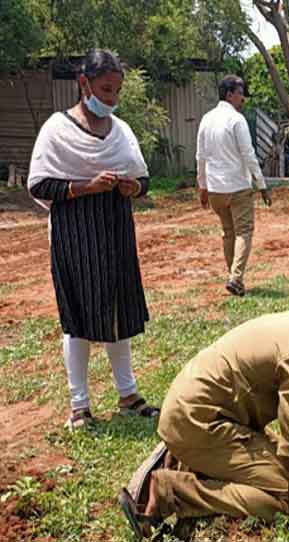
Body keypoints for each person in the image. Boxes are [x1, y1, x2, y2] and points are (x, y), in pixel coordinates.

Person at [118, 289, 289, 539]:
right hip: (201, 425)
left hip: (188, 412)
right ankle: (172, 492)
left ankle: (190, 462)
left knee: (276, 461)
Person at [27, 49, 159, 430]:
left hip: (115, 233)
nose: (112, 99)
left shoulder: (121, 131)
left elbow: (144, 178)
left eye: (117, 91)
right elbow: (39, 184)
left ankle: (128, 394)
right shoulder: (57, 129)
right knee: (79, 319)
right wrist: (85, 187)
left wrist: (134, 187)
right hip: (76, 237)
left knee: (117, 310)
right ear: (84, 84)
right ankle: (79, 405)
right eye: (106, 89)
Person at [196, 75, 271, 297]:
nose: (243, 99)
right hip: (237, 186)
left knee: (228, 232)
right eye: (240, 94)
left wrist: (202, 186)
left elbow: (200, 156)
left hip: (216, 188)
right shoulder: (236, 120)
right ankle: (236, 278)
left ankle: (233, 277)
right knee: (244, 232)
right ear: (229, 94)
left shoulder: (206, 119)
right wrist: (262, 185)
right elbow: (248, 154)